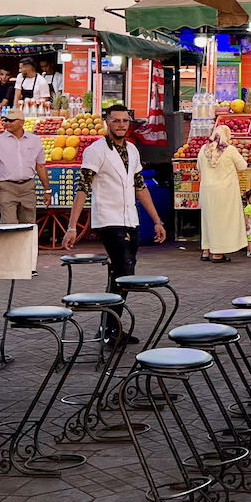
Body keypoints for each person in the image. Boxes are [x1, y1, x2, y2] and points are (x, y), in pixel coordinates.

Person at [64, 105, 167, 341]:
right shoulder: (96, 150)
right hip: (109, 220)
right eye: (116, 120)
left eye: (125, 121)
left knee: (121, 274)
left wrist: (156, 220)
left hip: (130, 218)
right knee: (124, 272)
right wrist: (71, 226)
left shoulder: (132, 150)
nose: (121, 124)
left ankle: (109, 327)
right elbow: (83, 188)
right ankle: (111, 329)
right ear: (107, 122)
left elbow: (140, 187)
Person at [0, 108, 50, 225]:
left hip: (28, 187)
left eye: (11, 120)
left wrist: (47, 190)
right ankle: (12, 244)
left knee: (28, 224)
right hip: (6, 187)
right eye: (6, 120)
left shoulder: (34, 141)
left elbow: (40, 167)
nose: (7, 123)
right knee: (9, 224)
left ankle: (26, 244)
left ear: (21, 122)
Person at [196, 124, 248, 262]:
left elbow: (198, 167)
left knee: (208, 220)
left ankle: (206, 251)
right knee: (222, 221)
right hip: (225, 191)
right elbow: (243, 166)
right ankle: (218, 253)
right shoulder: (230, 150)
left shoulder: (203, 149)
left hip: (207, 190)